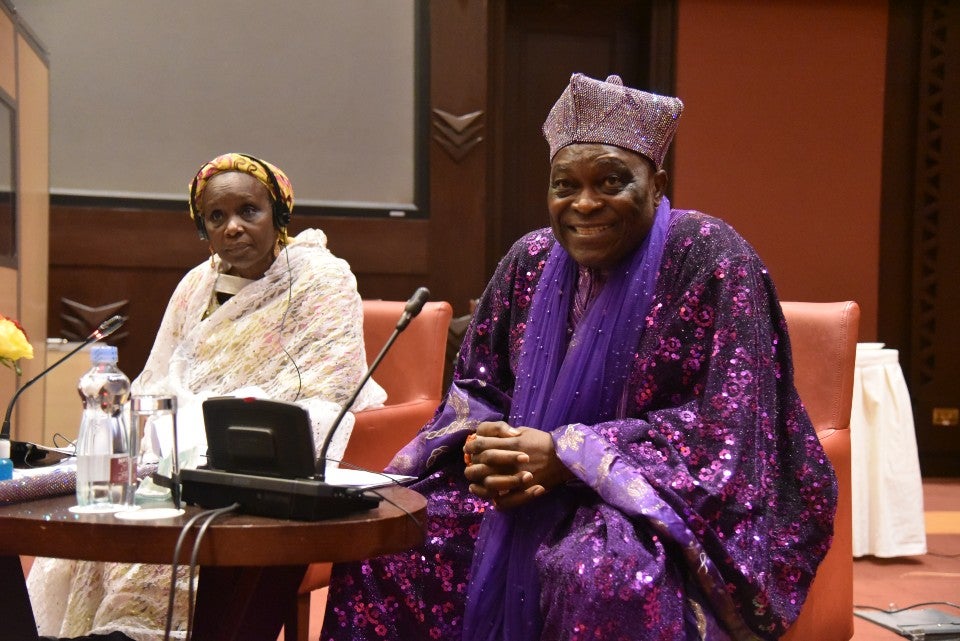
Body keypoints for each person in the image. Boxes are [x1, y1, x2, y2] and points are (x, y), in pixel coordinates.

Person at [320, 74, 838, 641]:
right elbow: (478, 390)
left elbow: (730, 428)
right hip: (516, 489)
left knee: (602, 576)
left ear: (657, 182)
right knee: (391, 542)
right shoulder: (530, 258)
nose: (585, 203)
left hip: (648, 505)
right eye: (565, 184)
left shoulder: (710, 256)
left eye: (612, 181)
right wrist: (491, 446)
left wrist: (570, 455)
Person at [28, 153, 386, 641]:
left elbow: (330, 387)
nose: (233, 228)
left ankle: (135, 632)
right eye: (217, 217)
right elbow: (155, 382)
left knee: (166, 525)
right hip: (173, 457)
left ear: (279, 215)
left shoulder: (322, 280)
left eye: (249, 211)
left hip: (258, 468)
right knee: (111, 511)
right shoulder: (195, 284)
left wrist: (202, 434)